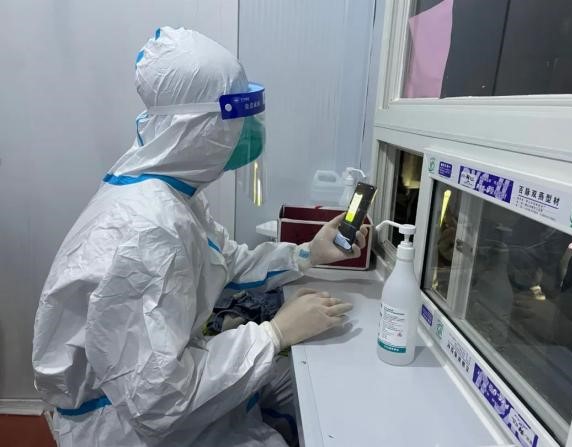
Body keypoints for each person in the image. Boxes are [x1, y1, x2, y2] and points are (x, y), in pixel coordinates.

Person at [32, 27, 367, 447]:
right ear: (200, 128)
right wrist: (274, 334)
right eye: (239, 118)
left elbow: (223, 261)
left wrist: (305, 254)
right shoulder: (147, 231)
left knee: (298, 390)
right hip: (125, 425)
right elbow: (158, 400)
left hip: (159, 385)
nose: (250, 130)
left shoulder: (171, 193)